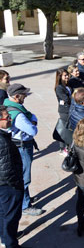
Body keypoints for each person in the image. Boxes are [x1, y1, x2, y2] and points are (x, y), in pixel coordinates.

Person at [3, 84, 44, 216]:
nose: (25, 96)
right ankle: (25, 205)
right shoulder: (19, 114)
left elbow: (31, 115)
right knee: (24, 177)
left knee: (22, 175)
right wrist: (33, 121)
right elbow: (32, 130)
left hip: (18, 145)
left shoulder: (9, 104)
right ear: (16, 96)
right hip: (22, 147)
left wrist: (31, 118)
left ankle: (26, 198)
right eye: (24, 94)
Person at [0, 105, 24, 248]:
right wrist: (17, 186)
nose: (10, 119)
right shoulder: (2, 142)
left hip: (3, 186)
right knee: (11, 218)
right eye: (7, 117)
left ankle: (4, 239)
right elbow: (7, 169)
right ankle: (10, 244)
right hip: (8, 186)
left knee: (3, 214)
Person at [54, 68, 72, 154]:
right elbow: (66, 99)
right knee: (64, 129)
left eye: (67, 75)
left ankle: (68, 146)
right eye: (65, 75)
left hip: (70, 109)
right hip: (64, 111)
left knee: (68, 129)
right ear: (60, 77)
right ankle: (63, 148)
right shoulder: (59, 88)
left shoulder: (68, 85)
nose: (67, 77)